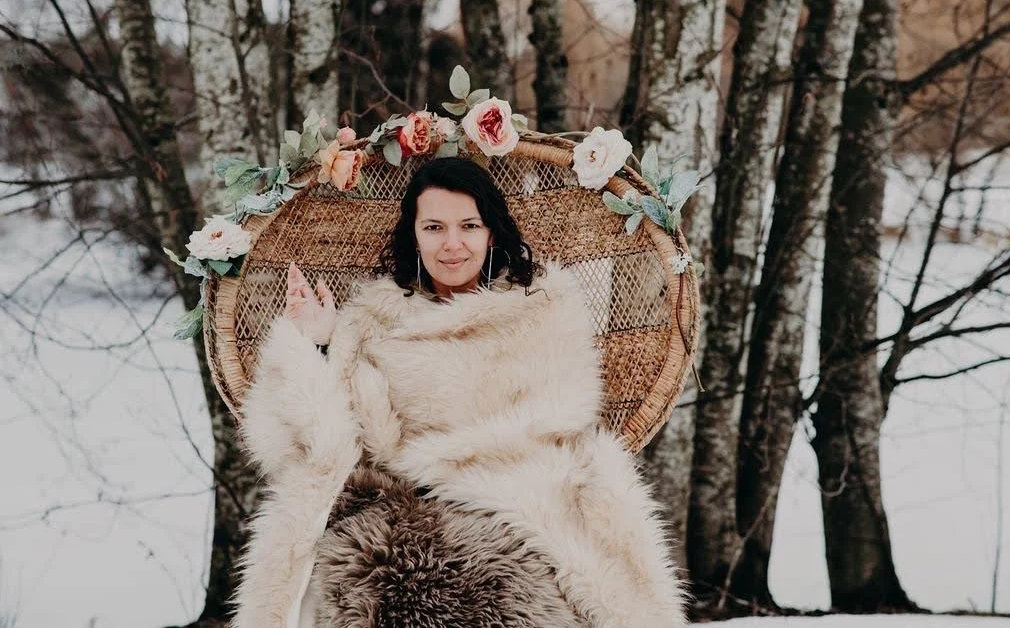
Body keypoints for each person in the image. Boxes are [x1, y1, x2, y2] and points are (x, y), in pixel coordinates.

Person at [232, 158, 687, 627]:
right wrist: (315, 343)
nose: (452, 244)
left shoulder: (542, 307)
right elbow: (323, 440)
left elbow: (558, 420)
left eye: (469, 225)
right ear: (414, 235)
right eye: (434, 227)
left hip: (520, 503)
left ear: (491, 233)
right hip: (400, 507)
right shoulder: (371, 320)